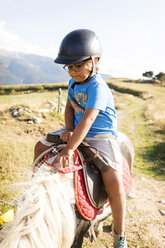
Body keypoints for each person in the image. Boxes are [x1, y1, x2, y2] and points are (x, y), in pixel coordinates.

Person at [34, 29, 127, 248]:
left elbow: (88, 119)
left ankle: (120, 233)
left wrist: (69, 149)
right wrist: (67, 129)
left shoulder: (98, 87)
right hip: (76, 129)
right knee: (40, 145)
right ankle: (35, 190)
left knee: (114, 181)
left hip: (99, 136)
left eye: (78, 65)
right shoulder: (74, 84)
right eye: (69, 67)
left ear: (95, 61)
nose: (74, 71)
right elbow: (69, 107)